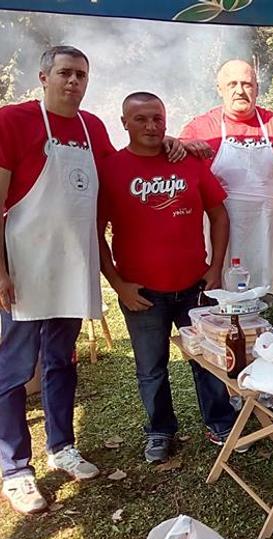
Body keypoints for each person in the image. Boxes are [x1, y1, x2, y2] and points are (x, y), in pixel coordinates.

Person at [98, 91, 237, 463]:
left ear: (166, 119)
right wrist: (118, 285)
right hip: (142, 292)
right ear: (124, 122)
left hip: (196, 286)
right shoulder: (111, 169)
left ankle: (220, 421)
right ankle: (160, 430)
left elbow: (220, 215)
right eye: (140, 119)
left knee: (207, 359)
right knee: (151, 367)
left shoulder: (187, 161)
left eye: (157, 118)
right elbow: (95, 233)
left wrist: (216, 267)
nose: (150, 126)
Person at [0, 45, 107, 514]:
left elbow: (118, 178)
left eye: (81, 75)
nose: (73, 82)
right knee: (12, 369)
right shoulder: (13, 121)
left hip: (71, 267)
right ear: (43, 77)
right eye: (65, 73)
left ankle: (61, 446)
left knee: (61, 361)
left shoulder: (93, 128)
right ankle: (15, 468)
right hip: (25, 267)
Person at [181, 60, 273, 295]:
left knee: (271, 307)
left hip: (270, 236)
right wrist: (186, 145)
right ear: (220, 89)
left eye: (247, 84)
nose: (240, 90)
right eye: (232, 84)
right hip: (224, 238)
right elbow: (172, 150)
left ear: (257, 89)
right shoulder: (201, 127)